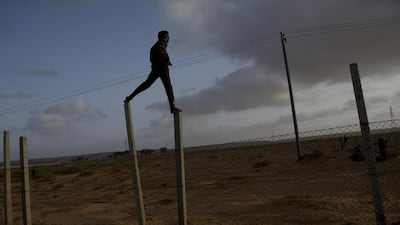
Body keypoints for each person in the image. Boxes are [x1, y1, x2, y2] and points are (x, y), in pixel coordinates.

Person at [125, 31, 181, 113]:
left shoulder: (155, 46)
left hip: (155, 69)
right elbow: (162, 55)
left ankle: (130, 97)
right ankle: (172, 107)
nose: (169, 38)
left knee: (146, 84)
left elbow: (152, 59)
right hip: (162, 68)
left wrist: (165, 60)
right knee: (168, 87)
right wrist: (167, 60)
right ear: (163, 37)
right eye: (167, 36)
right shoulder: (161, 45)